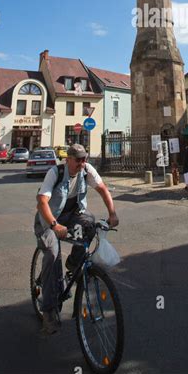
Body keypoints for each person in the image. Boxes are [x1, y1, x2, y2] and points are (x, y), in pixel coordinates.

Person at [34, 144, 119, 336]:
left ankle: (74, 263)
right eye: (79, 160)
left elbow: (103, 189)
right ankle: (48, 311)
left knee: (90, 224)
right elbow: (42, 201)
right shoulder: (55, 173)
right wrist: (55, 226)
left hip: (72, 217)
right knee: (52, 254)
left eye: (84, 159)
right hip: (49, 220)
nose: (82, 163)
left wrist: (112, 213)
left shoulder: (86, 170)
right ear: (68, 159)